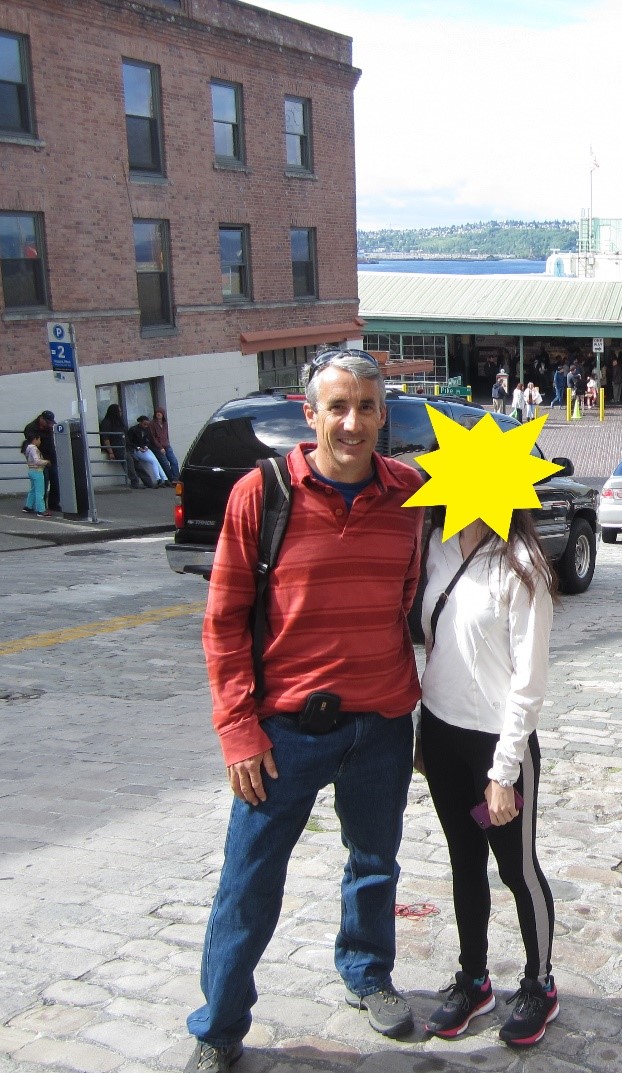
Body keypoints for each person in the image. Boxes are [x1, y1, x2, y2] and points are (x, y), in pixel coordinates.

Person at [185, 350, 425, 1073]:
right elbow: (224, 621)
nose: (352, 422)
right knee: (248, 881)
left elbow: (411, 602)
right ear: (310, 413)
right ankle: (220, 1025)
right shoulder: (261, 495)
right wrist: (237, 730)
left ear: (383, 415)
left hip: (381, 723)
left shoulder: (409, 493)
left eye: (366, 407)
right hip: (285, 732)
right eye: (337, 407)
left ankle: (366, 972)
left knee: (375, 863)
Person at [418, 508, 559, 1046]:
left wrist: (503, 773)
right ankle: (474, 980)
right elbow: (435, 646)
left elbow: (529, 683)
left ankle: (540, 982)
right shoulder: (438, 546)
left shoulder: (522, 565)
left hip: (498, 747)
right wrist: (420, 731)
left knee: (517, 868)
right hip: (441, 735)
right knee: (463, 861)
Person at [23, 409, 59, 510]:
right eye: (47, 422)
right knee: (42, 483)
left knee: (56, 481)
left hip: (51, 456)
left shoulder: (49, 427)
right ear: (41, 419)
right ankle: (40, 506)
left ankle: (54, 503)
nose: (49, 425)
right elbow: (32, 443)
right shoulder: (31, 428)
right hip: (39, 458)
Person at [125, 416, 167, 488]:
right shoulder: (133, 430)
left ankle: (164, 479)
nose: (146, 426)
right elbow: (129, 442)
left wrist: (146, 446)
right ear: (140, 422)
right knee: (153, 460)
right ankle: (158, 478)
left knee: (155, 460)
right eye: (144, 424)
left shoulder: (147, 430)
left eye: (147, 424)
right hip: (136, 449)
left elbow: (148, 440)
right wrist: (138, 448)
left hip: (144, 448)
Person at [22, 431, 50, 517]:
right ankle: (41, 510)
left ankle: (28, 506)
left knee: (33, 490)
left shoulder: (27, 448)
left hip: (31, 470)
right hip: (37, 471)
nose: (40, 442)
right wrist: (46, 462)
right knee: (40, 491)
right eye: (39, 440)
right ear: (35, 439)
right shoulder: (34, 448)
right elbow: (37, 460)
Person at [151, 407, 180, 483]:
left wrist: (167, 443)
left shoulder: (165, 423)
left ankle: (177, 478)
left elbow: (166, 435)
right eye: (157, 413)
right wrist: (160, 447)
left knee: (174, 461)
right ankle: (172, 479)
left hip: (166, 445)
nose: (158, 414)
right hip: (158, 446)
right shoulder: (152, 424)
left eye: (160, 413)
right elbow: (153, 437)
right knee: (165, 463)